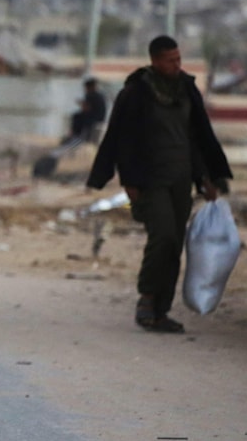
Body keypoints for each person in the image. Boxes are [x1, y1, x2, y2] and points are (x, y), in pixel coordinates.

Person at [87, 35, 233, 334]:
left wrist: (206, 177)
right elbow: (121, 138)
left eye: (179, 59)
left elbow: (197, 138)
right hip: (149, 180)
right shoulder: (136, 93)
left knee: (175, 243)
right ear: (155, 61)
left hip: (181, 179)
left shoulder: (186, 90)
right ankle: (147, 298)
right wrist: (128, 181)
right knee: (163, 236)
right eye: (171, 60)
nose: (177, 65)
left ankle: (161, 310)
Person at [68, 77, 107, 143]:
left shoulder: (91, 95)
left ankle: (76, 136)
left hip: (94, 118)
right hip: (99, 117)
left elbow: (87, 108)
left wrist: (81, 103)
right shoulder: (99, 95)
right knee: (79, 116)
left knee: (77, 117)